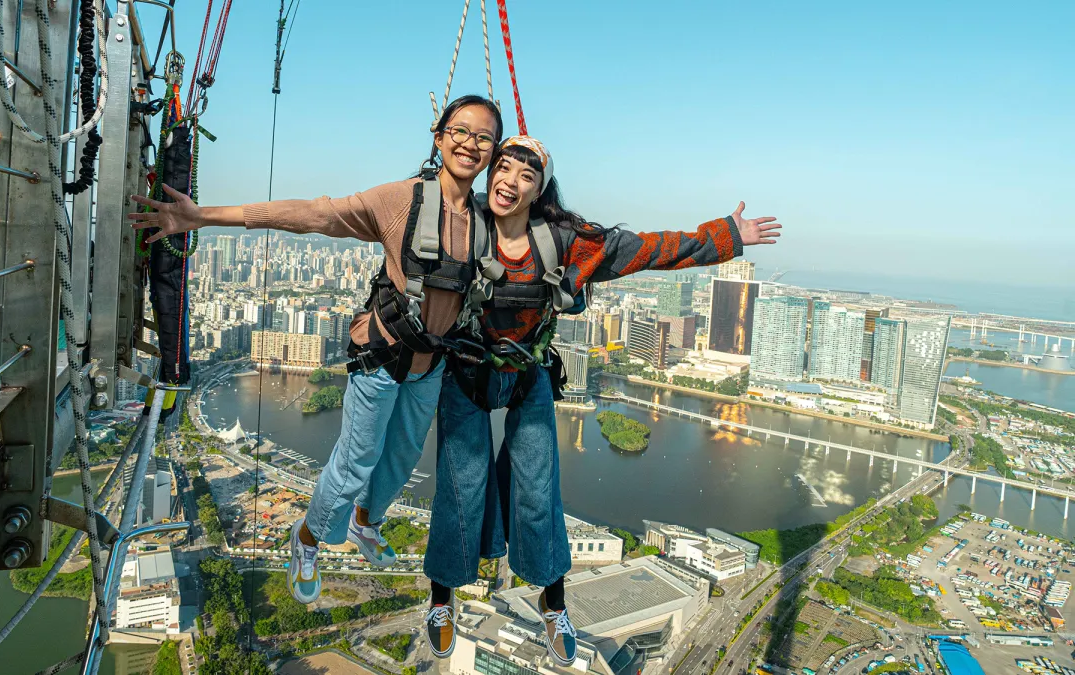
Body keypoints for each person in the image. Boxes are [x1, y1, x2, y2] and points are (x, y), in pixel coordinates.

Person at [420, 135, 782, 664]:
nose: (510, 180)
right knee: (460, 484)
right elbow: (404, 222)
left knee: (539, 487)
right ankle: (442, 595)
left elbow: (649, 250)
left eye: (526, 174)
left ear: (540, 189)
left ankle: (553, 599)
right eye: (502, 167)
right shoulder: (460, 223)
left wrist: (726, 236)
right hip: (467, 372)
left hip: (527, 372)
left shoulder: (566, 240)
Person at [129, 95, 505, 604]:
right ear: (438, 137)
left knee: (402, 457)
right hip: (382, 358)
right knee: (356, 462)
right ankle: (307, 537)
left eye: (484, 137)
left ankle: (365, 523)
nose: (470, 144)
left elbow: (543, 226)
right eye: (460, 131)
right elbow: (312, 215)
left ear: (493, 153)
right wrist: (205, 217)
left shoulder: (487, 220)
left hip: (430, 365)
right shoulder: (402, 201)